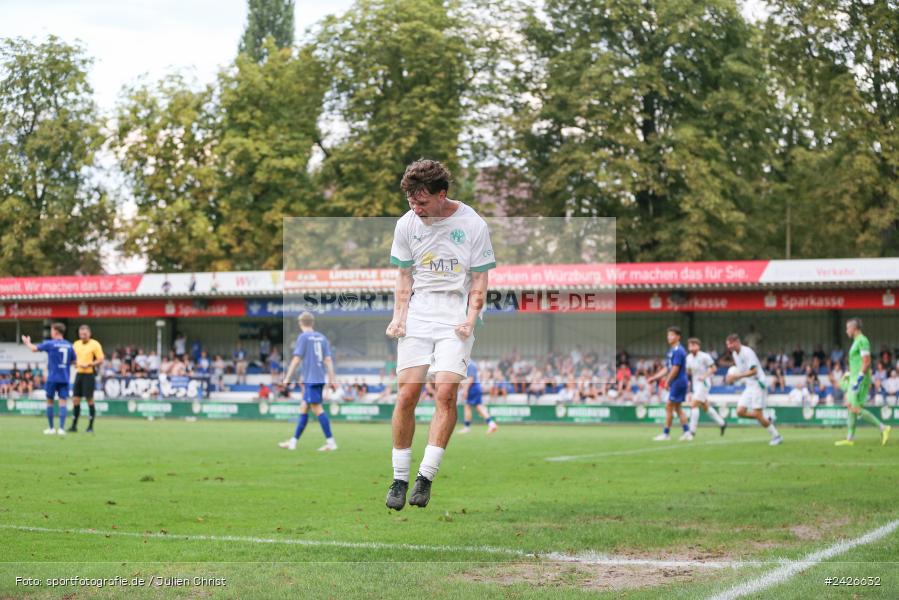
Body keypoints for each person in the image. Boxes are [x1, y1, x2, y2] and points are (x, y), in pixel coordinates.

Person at [384, 159, 495, 511]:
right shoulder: (406, 224)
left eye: (422, 202)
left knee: (445, 393)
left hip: (455, 315)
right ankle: (399, 478)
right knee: (407, 395)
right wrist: (398, 317)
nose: (415, 209)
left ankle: (425, 476)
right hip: (419, 313)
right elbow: (404, 276)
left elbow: (480, 278)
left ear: (441, 194)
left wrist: (470, 319)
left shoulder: (473, 224)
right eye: (410, 202)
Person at [278, 312, 338, 452]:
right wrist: (331, 380)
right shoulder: (322, 338)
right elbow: (328, 360)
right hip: (319, 378)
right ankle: (293, 442)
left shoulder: (303, 337)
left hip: (311, 379)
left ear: (300, 323)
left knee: (317, 408)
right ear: (313, 323)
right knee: (304, 407)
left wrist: (287, 378)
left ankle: (331, 442)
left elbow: (296, 359)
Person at [835, 318, 891, 447]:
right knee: (851, 406)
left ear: (853, 328)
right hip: (854, 377)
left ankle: (883, 428)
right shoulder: (856, 341)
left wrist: (859, 379)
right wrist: (850, 374)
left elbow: (866, 362)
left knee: (855, 408)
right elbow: (857, 362)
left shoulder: (862, 341)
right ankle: (849, 439)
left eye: (847, 328)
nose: (846, 331)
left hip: (860, 379)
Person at [725, 333, 782, 446]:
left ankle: (776, 436)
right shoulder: (735, 354)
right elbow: (742, 370)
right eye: (727, 344)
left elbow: (754, 371)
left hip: (758, 383)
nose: (729, 346)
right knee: (740, 412)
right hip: (749, 385)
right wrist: (731, 376)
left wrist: (736, 376)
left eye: (730, 344)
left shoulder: (747, 352)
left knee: (757, 414)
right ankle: (766, 419)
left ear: (737, 342)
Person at [22, 323, 75, 435]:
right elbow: (74, 361)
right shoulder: (69, 345)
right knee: (63, 402)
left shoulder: (50, 344)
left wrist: (27, 343)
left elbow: (34, 349)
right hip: (65, 378)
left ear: (55, 331)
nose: (51, 333)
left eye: (51, 330)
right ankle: (61, 429)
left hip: (53, 378)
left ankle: (51, 428)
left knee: (50, 402)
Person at [647, 326, 691, 441]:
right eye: (668, 335)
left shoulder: (678, 351)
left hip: (678, 382)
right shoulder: (671, 351)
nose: (669, 337)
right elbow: (667, 368)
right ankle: (687, 432)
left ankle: (666, 434)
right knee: (677, 408)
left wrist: (667, 381)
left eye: (672, 335)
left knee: (669, 406)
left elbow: (675, 369)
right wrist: (654, 377)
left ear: (678, 337)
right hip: (677, 382)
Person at [685, 338, 727, 437]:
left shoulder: (704, 356)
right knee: (705, 407)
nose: (691, 347)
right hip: (696, 384)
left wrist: (704, 375)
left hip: (704, 383)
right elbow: (689, 372)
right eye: (690, 345)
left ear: (698, 346)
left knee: (694, 405)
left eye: (693, 345)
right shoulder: (688, 358)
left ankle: (691, 432)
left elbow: (714, 368)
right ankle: (722, 423)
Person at [69, 325, 104, 433]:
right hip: (79, 374)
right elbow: (71, 359)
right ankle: (74, 426)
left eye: (84, 334)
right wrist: (76, 363)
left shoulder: (95, 344)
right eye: (81, 334)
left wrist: (90, 364)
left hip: (89, 374)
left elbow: (100, 359)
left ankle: (90, 427)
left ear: (89, 334)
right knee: (75, 399)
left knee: (89, 399)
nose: (82, 336)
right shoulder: (76, 344)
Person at [458, 360, 498, 435]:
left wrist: (465, 390)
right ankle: (491, 424)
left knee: (469, 407)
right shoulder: (470, 363)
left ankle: (467, 427)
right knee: (476, 407)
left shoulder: (470, 364)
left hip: (473, 388)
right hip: (474, 388)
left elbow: (470, 379)